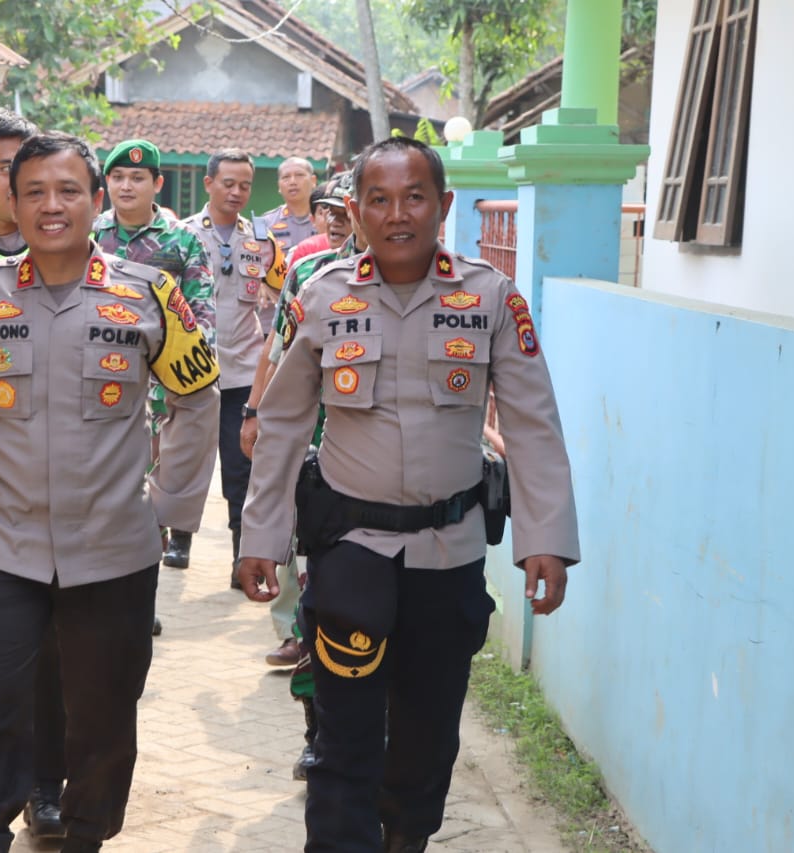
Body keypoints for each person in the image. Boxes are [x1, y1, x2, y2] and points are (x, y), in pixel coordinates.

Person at [0, 132, 220, 853]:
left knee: (102, 722)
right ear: (13, 201)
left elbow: (198, 398)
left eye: (68, 190)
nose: (51, 205)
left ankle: (87, 833)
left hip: (115, 553)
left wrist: (169, 508)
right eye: (33, 191)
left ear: (97, 202)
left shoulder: (150, 294)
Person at [237, 136, 580, 852]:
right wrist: (262, 536)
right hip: (352, 553)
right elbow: (283, 424)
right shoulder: (324, 295)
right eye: (380, 200)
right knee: (345, 738)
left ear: (443, 206)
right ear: (356, 210)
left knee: (427, 738)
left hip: (448, 554)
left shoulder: (489, 295)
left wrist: (545, 537)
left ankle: (407, 838)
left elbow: (533, 422)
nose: (398, 215)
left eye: (415, 197)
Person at [241, 172, 357, 673]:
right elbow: (277, 347)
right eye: (328, 209)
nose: (335, 219)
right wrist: (253, 411)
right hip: (305, 420)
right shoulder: (308, 269)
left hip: (354, 428)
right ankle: (294, 631)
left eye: (344, 210)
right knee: (293, 520)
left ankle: (323, 633)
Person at [94, 138, 215, 570]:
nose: (127, 186)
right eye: (119, 177)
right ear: (107, 182)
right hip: (97, 377)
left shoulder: (183, 240)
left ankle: (145, 578)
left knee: (156, 478)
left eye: (137, 178)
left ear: (157, 183)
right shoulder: (89, 235)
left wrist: (192, 371)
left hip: (161, 378)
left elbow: (201, 307)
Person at [183, 149, 285, 587]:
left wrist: (272, 254)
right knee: (181, 458)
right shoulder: (182, 235)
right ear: (209, 184)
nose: (237, 192)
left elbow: (284, 290)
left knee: (242, 465)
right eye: (228, 183)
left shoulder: (259, 239)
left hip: (243, 368)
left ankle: (241, 555)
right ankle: (177, 539)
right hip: (189, 368)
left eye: (245, 184)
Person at [256, 156, 319, 253]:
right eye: (286, 177)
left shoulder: (326, 219)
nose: (292, 182)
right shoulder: (264, 223)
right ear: (279, 186)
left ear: (313, 181)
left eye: (299, 175)